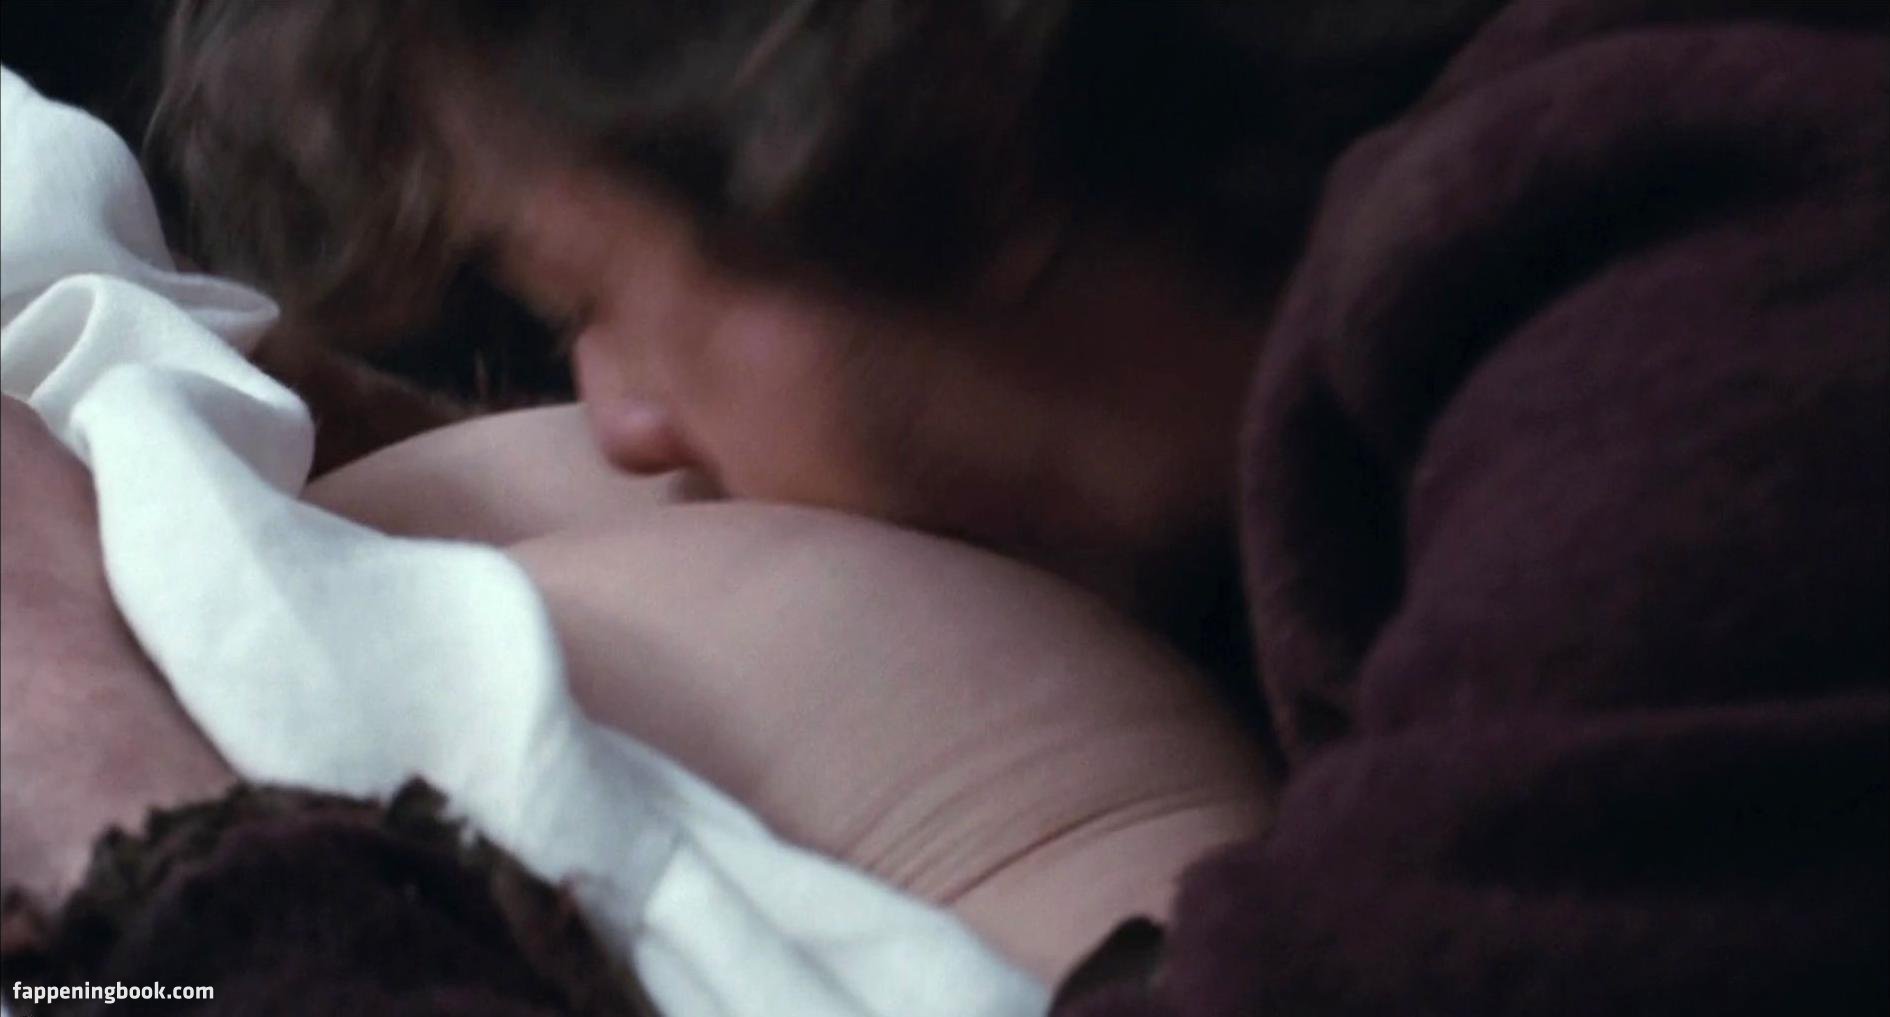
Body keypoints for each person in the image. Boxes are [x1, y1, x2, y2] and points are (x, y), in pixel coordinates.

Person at [6, 0, 1887, 1013]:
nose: (624, 424)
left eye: (589, 297)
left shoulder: (1716, 359)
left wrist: (124, 814)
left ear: (944, 152)